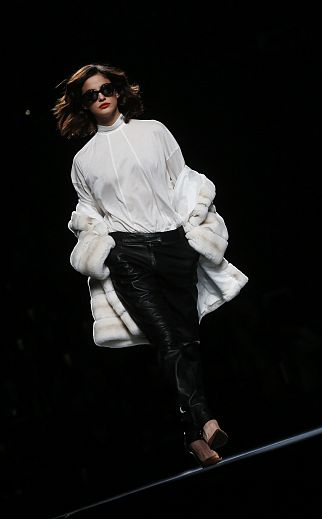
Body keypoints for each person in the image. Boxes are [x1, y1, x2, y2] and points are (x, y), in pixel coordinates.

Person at [52, 63, 249, 467]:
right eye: (90, 94)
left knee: (186, 340)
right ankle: (206, 418)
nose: (100, 96)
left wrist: (194, 233)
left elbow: (186, 183)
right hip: (128, 254)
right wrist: (100, 246)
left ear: (118, 91)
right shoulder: (83, 160)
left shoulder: (154, 131)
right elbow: (88, 214)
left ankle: (193, 436)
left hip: (175, 246)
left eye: (105, 88)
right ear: (83, 105)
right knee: (166, 337)